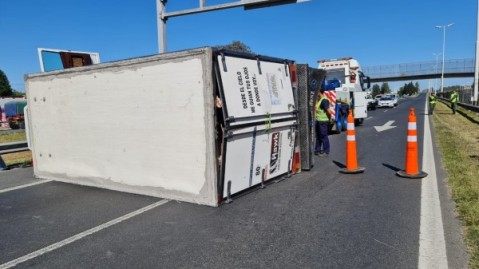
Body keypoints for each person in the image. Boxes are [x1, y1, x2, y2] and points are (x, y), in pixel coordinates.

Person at [314, 89, 335, 156]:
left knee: (323, 136)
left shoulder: (324, 100)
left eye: (317, 92)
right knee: (318, 136)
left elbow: (328, 111)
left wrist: (331, 118)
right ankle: (317, 150)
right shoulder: (320, 100)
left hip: (323, 122)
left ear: (320, 92)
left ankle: (326, 151)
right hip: (319, 121)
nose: (316, 94)